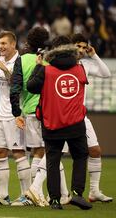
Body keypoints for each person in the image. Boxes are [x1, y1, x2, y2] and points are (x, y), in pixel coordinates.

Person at [27, 44, 92, 210]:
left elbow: (31, 87)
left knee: (53, 162)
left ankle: (55, 200)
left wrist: (38, 65)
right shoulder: (79, 69)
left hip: (52, 123)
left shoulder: (46, 71)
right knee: (80, 156)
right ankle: (77, 193)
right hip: (76, 123)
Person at [0, 31, 32, 206]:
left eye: (4, 43)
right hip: (2, 115)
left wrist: (3, 68)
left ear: (13, 44)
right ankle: (3, 196)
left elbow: (18, 84)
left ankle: (27, 195)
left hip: (17, 114)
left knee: (18, 153)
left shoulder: (20, 62)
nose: (1, 46)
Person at [25, 35, 76, 207]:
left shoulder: (47, 67)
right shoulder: (69, 68)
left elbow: (32, 87)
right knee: (54, 153)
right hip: (64, 117)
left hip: (48, 114)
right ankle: (35, 186)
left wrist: (40, 66)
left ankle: (63, 194)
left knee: (54, 153)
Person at [71, 33, 113, 203]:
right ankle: (42, 191)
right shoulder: (59, 64)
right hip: (63, 117)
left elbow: (106, 73)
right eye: (78, 46)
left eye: (83, 47)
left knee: (95, 151)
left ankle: (94, 191)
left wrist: (93, 54)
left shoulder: (86, 65)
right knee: (55, 155)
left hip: (81, 117)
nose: (81, 50)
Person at [10, 27, 49, 185]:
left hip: (30, 112)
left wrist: (16, 112)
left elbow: (15, 87)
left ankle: (36, 190)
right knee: (46, 151)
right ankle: (35, 189)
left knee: (37, 151)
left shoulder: (22, 59)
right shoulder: (49, 60)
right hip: (48, 111)